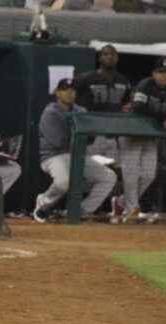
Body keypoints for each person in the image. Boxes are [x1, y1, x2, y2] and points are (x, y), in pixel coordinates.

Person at [112, 56, 166, 223]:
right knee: (131, 175)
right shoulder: (145, 85)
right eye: (161, 72)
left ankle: (121, 202)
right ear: (154, 73)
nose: (165, 75)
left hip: (151, 137)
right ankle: (131, 211)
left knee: (148, 175)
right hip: (132, 134)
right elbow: (138, 108)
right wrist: (165, 117)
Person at [33, 78, 117, 223]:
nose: (69, 93)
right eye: (65, 90)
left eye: (72, 90)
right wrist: (77, 131)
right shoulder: (50, 113)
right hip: (53, 156)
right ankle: (42, 205)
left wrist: (88, 134)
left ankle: (80, 210)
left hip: (77, 154)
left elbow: (89, 138)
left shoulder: (81, 111)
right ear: (57, 93)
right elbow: (57, 141)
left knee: (108, 177)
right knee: (64, 182)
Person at [73, 44, 132, 161]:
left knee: (113, 171)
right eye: (106, 54)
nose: (110, 57)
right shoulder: (85, 80)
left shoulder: (124, 81)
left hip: (112, 135)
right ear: (100, 58)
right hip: (92, 135)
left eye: (113, 54)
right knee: (88, 171)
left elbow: (126, 106)